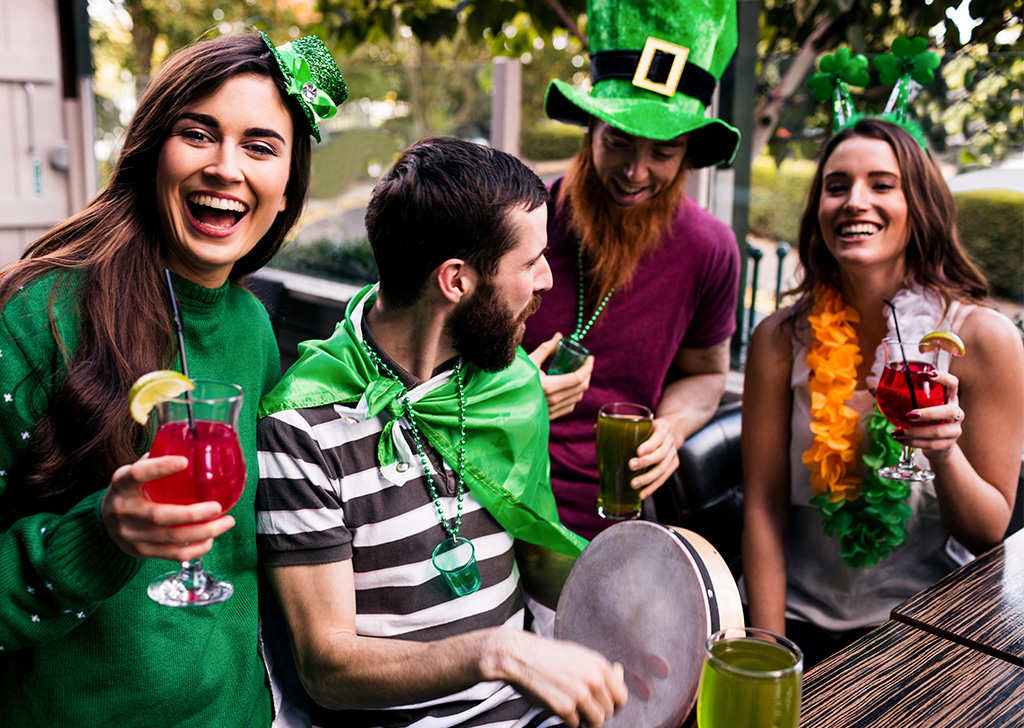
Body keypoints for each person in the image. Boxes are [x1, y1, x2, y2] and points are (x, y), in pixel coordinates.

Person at [0, 31, 347, 726]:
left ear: (288, 186)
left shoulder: (252, 329)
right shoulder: (34, 319)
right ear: (152, 151)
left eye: (259, 146)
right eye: (198, 134)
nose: (225, 167)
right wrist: (97, 538)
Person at [255, 137, 628, 728]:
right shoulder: (300, 427)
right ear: (456, 281)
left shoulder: (507, 386)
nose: (548, 281)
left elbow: (537, 557)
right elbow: (326, 668)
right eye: (530, 262)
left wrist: (655, 605)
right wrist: (494, 654)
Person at [741, 116, 1024, 668]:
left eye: (882, 184)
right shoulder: (779, 338)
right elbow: (764, 507)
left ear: (919, 204)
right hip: (794, 621)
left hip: (933, 627)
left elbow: (990, 530)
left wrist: (942, 451)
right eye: (836, 185)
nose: (854, 201)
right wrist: (771, 657)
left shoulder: (981, 341)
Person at [521, 0, 742, 540]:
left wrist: (673, 426)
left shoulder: (711, 248)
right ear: (589, 131)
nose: (636, 172)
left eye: (663, 152)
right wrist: (513, 391)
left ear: (688, 154)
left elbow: (707, 373)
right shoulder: (519, 222)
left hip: (615, 521)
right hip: (493, 498)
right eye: (617, 142)